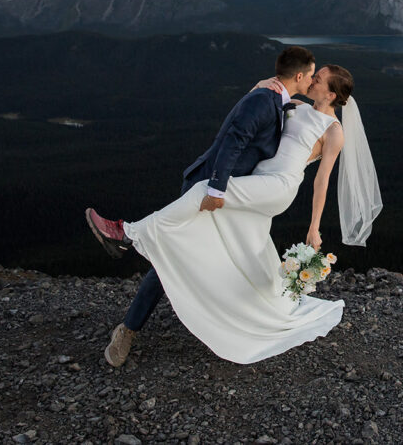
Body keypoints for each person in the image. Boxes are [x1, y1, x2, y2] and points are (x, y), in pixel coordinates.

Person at [87, 63, 382, 365]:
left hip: (277, 187)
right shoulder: (293, 104)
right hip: (255, 181)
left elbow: (322, 181)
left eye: (317, 79)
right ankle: (261, 311)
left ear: (330, 93)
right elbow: (250, 116)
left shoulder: (334, 131)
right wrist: (259, 85)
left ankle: (127, 233)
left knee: (205, 192)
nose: (311, 79)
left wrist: (314, 227)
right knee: (210, 242)